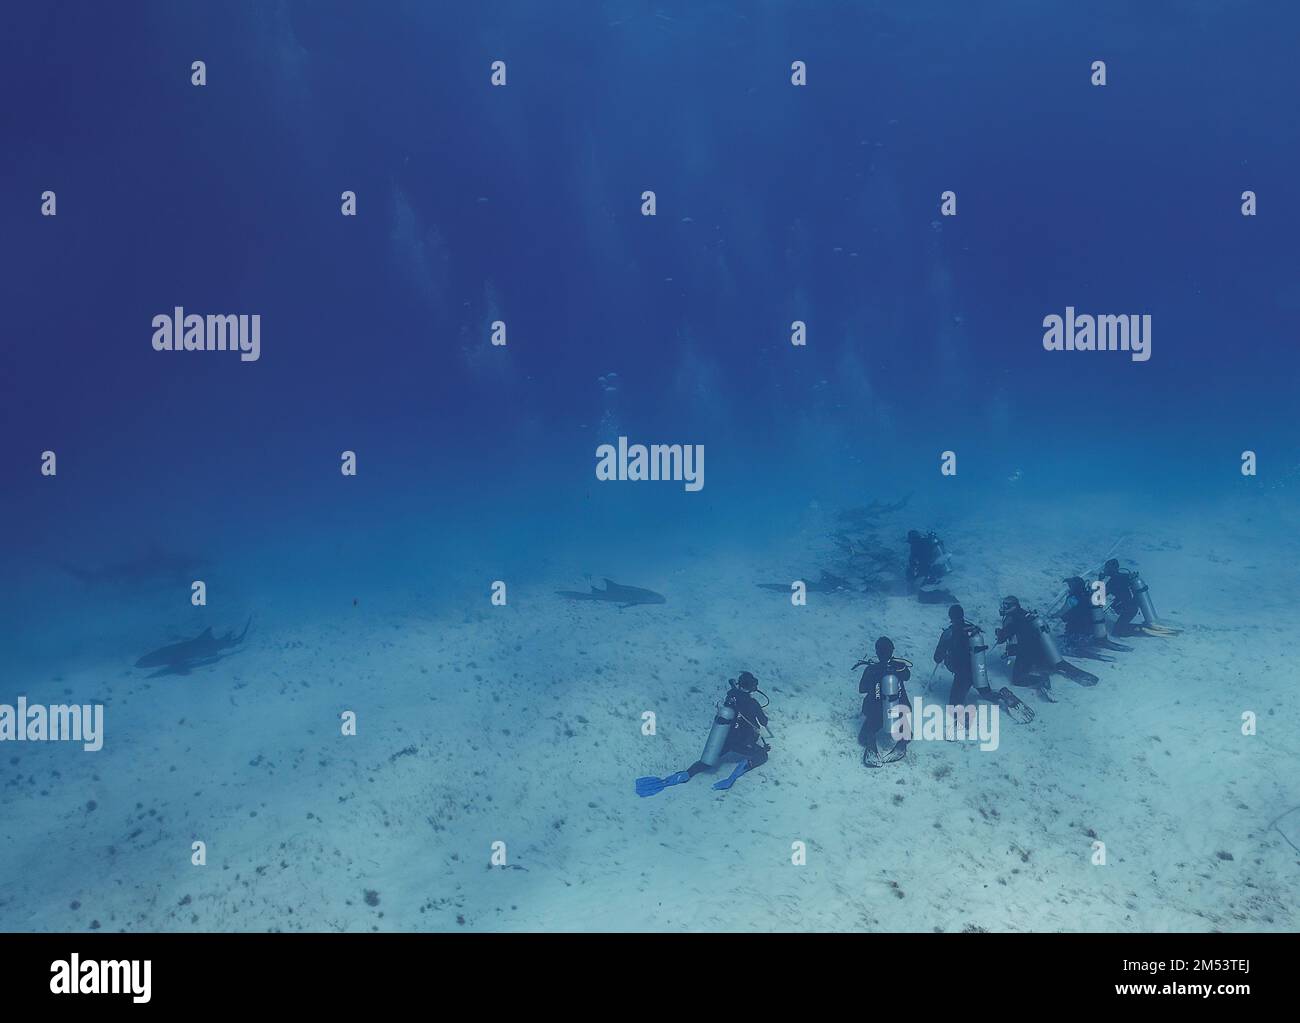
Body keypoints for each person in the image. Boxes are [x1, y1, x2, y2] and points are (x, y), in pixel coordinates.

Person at [635, 672, 771, 796]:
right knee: (763, 755)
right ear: (752, 687)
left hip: (725, 739)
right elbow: (763, 721)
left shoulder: (731, 695)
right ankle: (732, 777)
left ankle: (685, 774)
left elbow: (733, 692)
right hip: (742, 741)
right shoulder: (753, 703)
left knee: (706, 762)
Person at [933, 604, 1034, 722]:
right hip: (978, 669)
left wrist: (944, 655)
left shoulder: (949, 633)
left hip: (962, 676)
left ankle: (966, 722)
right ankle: (1002, 695)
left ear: (951, 616)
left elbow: (936, 657)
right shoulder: (971, 628)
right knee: (987, 693)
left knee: (954, 705)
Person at [994, 595, 1098, 699]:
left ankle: (1042, 679)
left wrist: (999, 633)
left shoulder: (1012, 618)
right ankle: (1073, 671)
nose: (1003, 607)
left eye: (1006, 605)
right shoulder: (1025, 614)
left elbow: (1003, 638)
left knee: (1017, 680)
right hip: (1042, 650)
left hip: (1026, 653)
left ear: (1014, 606)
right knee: (1055, 665)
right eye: (1004, 604)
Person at [856, 637, 913, 766]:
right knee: (906, 730)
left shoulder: (871, 669)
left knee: (864, 736)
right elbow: (907, 676)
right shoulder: (898, 667)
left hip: (877, 713)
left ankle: (872, 749)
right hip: (897, 711)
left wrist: (875, 681)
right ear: (892, 651)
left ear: (876, 652)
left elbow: (862, 689)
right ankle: (902, 743)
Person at [1099, 559, 1179, 636]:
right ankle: (1143, 627)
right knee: (1121, 626)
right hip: (1132, 607)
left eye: (1107, 568)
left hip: (1128, 609)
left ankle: (1142, 629)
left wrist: (1100, 580)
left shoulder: (1112, 582)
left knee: (1117, 632)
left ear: (1111, 569)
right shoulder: (1124, 576)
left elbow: (1100, 596)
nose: (1105, 570)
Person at [1059, 576, 1131, 654]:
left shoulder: (1073, 599)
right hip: (1091, 631)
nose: (1069, 588)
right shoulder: (1088, 596)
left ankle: (1076, 647)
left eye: (1070, 586)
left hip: (1076, 631)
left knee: (1065, 647)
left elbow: (1062, 613)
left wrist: (1053, 616)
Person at [905, 529, 957, 604]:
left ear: (912, 540)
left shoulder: (917, 546)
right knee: (928, 585)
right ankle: (942, 590)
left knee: (922, 598)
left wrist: (914, 575)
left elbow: (920, 564)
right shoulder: (926, 542)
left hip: (934, 571)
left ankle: (944, 595)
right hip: (939, 569)